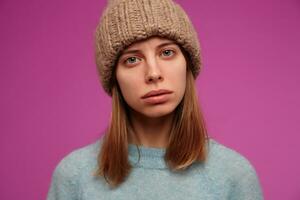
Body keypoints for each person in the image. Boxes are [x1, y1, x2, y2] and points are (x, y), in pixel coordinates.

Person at [47, 0, 264, 199]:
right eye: (132, 59)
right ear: (114, 78)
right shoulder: (73, 176)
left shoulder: (234, 176)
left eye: (167, 53)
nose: (153, 73)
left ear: (187, 63)